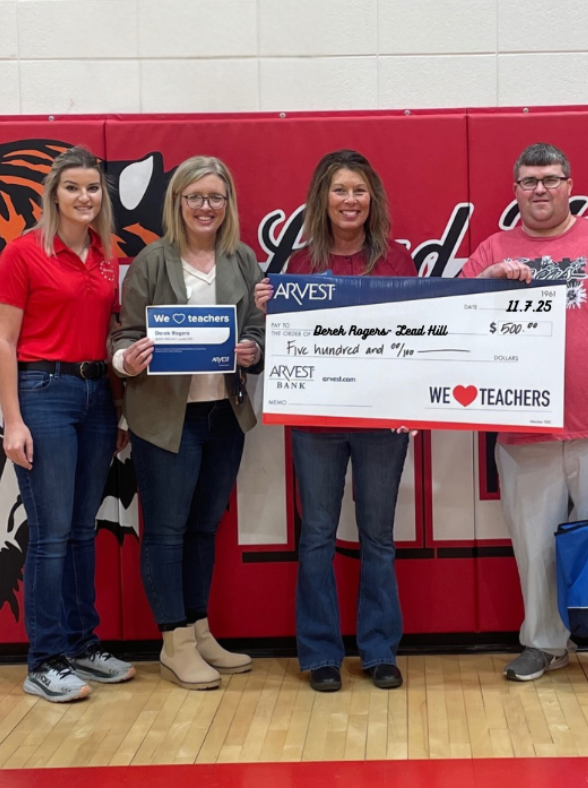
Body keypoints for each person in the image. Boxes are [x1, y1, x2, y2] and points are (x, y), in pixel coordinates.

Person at [460, 142, 588, 689]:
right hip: (524, 434)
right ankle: (544, 643)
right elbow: (453, 322)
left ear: (570, 185)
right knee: (535, 549)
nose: (540, 189)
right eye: (529, 181)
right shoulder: (493, 250)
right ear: (515, 191)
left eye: (551, 179)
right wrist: (485, 284)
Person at [254, 149, 415, 692]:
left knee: (378, 537)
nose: (350, 200)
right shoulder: (296, 266)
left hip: (381, 423)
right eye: (340, 190)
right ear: (322, 198)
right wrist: (268, 312)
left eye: (359, 190)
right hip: (316, 422)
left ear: (373, 199)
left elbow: (417, 339)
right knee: (318, 535)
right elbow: (281, 347)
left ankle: (379, 650)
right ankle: (320, 653)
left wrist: (415, 402)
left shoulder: (397, 262)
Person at [111, 156, 265, 690]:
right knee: (167, 530)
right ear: (177, 202)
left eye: (215, 197)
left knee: (203, 527)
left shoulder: (243, 259)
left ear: (228, 204)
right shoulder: (152, 261)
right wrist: (126, 359)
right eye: (195, 197)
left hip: (224, 413)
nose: (206, 207)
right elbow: (124, 335)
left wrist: (253, 350)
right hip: (165, 418)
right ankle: (173, 641)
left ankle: (199, 630)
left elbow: (257, 330)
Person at [0, 146, 135, 702]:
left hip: (96, 394)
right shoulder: (24, 252)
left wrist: (118, 406)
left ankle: (81, 645)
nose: (84, 196)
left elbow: (108, 333)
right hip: (43, 393)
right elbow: (3, 340)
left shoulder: (106, 255)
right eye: (72, 187)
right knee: (52, 534)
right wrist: (12, 420)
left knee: (81, 530)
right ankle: (44, 660)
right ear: (53, 194)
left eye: (92, 188)